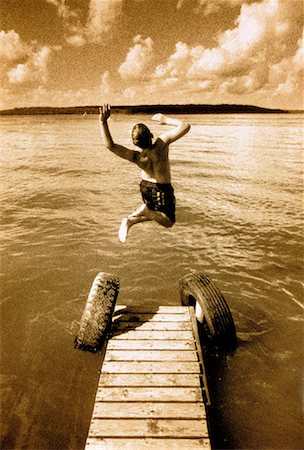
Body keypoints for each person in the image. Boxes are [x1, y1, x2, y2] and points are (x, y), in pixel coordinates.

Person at [99, 104, 190, 243]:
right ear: (151, 135)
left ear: (135, 143)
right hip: (162, 188)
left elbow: (110, 145)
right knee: (168, 221)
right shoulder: (161, 144)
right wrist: (165, 119)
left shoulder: (136, 157)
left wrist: (103, 122)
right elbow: (185, 125)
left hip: (145, 188)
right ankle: (147, 211)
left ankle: (130, 221)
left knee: (156, 213)